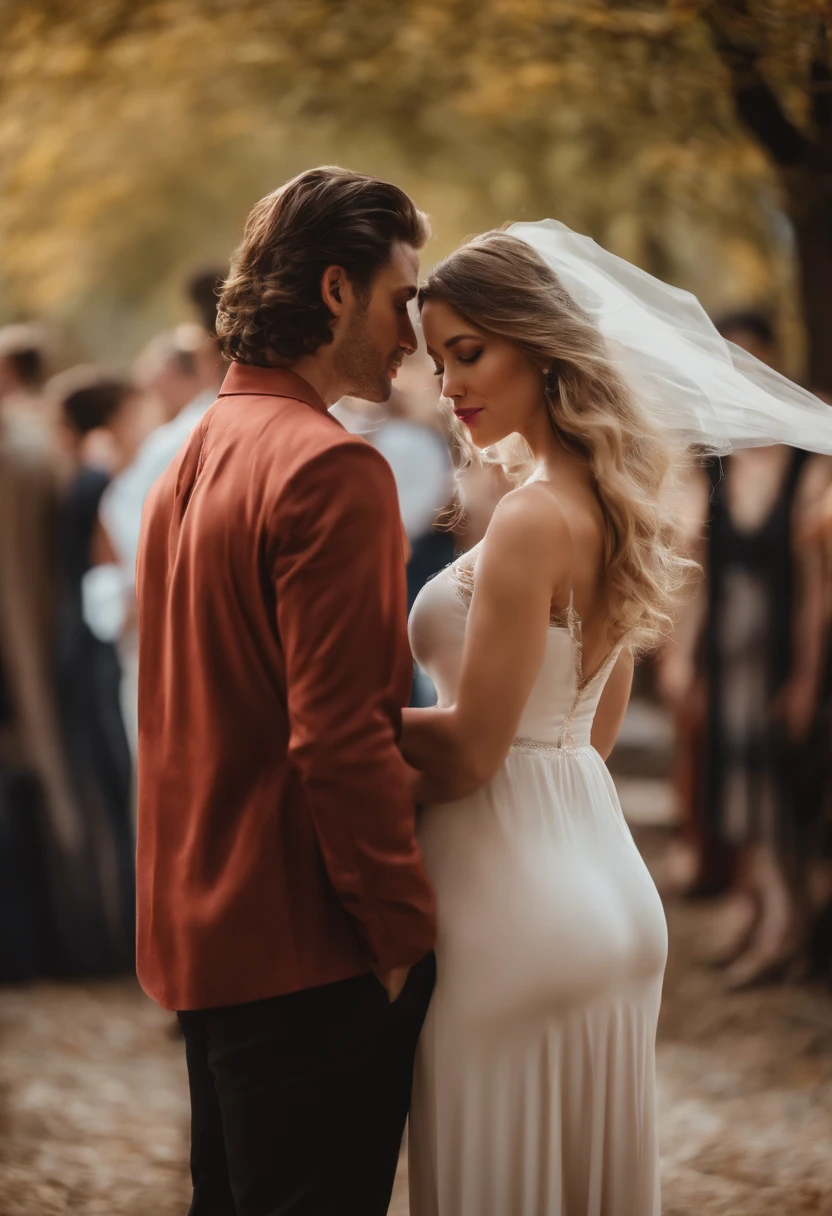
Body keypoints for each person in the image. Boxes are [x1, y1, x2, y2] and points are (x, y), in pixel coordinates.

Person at [398, 225, 832, 1215]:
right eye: (437, 359)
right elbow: (583, 731)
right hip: (604, 894)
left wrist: (320, 722)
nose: (450, 382)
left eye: (471, 352)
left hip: (509, 909)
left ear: (541, 344)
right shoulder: (604, 500)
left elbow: (470, 748)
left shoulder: (528, 518)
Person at [135, 167, 436, 1216]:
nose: (418, 334)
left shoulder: (189, 456)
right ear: (335, 290)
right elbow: (342, 737)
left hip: (201, 927)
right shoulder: (330, 470)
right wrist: (399, 933)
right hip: (309, 945)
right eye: (404, 300)